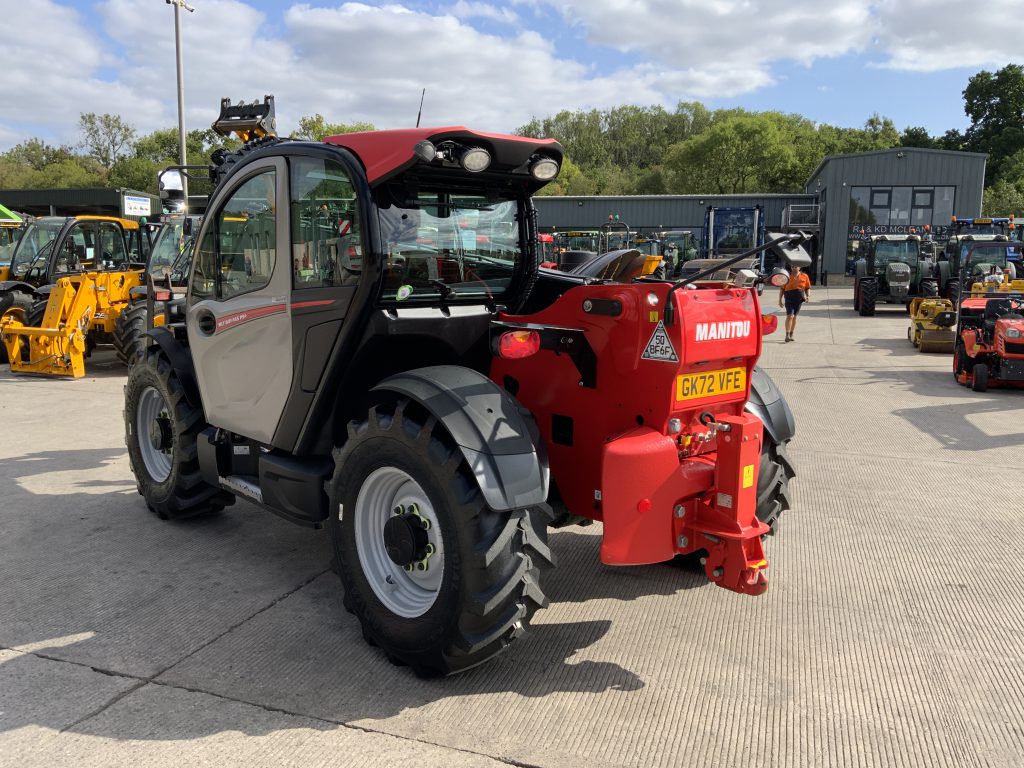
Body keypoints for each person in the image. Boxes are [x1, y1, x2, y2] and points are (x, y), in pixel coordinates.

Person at [778, 264, 811, 342]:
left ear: (799, 267)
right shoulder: (787, 276)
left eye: (795, 266)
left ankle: (791, 334)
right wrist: (780, 300)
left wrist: (808, 296)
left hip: (799, 300)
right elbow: (782, 289)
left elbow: (807, 288)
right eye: (792, 266)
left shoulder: (804, 276)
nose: (794, 268)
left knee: (794, 317)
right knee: (790, 316)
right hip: (789, 299)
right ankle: (787, 335)